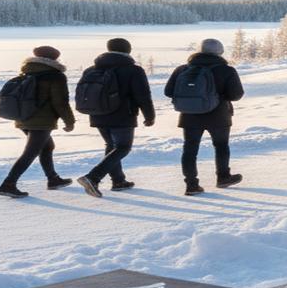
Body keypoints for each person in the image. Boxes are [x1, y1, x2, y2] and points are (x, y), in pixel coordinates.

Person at [75, 38, 155, 198]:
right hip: (123, 115)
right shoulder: (133, 70)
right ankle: (93, 177)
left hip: (97, 113)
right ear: (128, 51)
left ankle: (118, 181)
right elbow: (143, 95)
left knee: (111, 145)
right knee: (123, 147)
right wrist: (149, 115)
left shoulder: (92, 69)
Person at [165, 38, 245, 195]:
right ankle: (223, 177)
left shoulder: (182, 69)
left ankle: (191, 185)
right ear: (219, 52)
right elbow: (236, 95)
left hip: (189, 116)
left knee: (189, 149)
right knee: (221, 146)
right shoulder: (226, 70)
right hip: (219, 115)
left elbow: (168, 91)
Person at [0, 45, 76, 198]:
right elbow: (60, 102)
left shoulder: (27, 72)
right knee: (30, 152)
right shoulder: (56, 76)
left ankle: (53, 179)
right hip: (42, 121)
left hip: (23, 117)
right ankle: (8, 184)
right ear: (53, 59)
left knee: (47, 146)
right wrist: (69, 121)